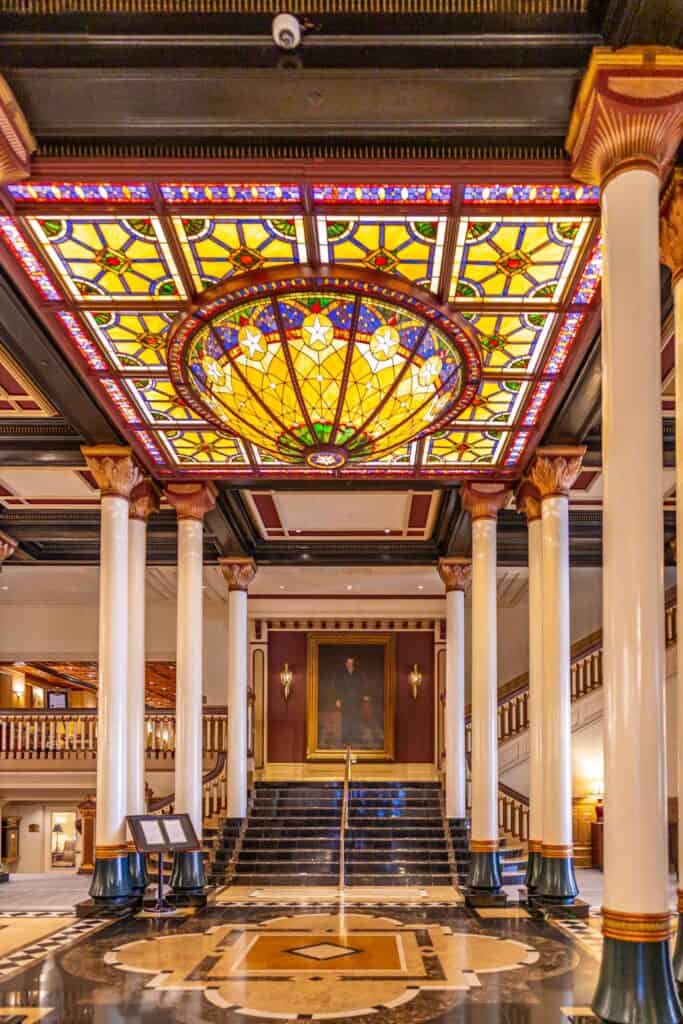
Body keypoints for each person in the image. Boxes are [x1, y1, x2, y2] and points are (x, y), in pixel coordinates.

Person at [332, 655, 381, 749]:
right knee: (345, 719)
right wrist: (337, 699)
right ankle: (345, 739)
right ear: (346, 664)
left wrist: (364, 696)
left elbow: (363, 685)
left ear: (353, 664)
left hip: (356, 700)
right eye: (348, 662)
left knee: (355, 719)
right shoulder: (341, 674)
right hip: (345, 700)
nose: (349, 664)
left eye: (351, 662)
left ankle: (354, 738)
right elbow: (337, 687)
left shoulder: (359, 674)